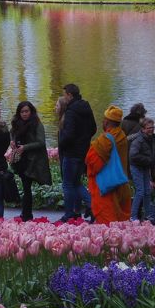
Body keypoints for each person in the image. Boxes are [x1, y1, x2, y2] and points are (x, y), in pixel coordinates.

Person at [85, 105, 131, 224]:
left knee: (108, 221)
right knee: (121, 220)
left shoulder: (105, 139)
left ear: (106, 121)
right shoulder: (122, 136)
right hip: (121, 182)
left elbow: (92, 163)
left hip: (107, 186)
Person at [9, 101, 52, 221]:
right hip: (21, 160)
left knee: (27, 187)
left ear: (31, 111)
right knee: (25, 187)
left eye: (26, 111)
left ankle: (26, 214)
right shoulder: (17, 123)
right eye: (22, 112)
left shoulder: (37, 124)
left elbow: (41, 142)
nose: (24, 114)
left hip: (33, 160)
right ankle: (26, 213)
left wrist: (25, 147)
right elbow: (12, 133)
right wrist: (12, 141)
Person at [58, 84, 96, 221]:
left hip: (71, 152)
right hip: (83, 151)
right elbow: (93, 129)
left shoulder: (71, 111)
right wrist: (83, 140)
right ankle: (92, 206)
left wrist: (62, 144)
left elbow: (69, 134)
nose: (64, 98)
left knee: (67, 184)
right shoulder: (86, 108)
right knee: (76, 182)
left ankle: (69, 213)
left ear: (69, 95)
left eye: (64, 95)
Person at [129, 117, 155, 221]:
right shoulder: (138, 140)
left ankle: (148, 215)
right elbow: (133, 156)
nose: (151, 129)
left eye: (152, 127)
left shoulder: (151, 137)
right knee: (140, 191)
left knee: (147, 191)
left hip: (144, 166)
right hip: (136, 167)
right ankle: (133, 216)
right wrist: (149, 160)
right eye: (149, 128)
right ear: (143, 129)